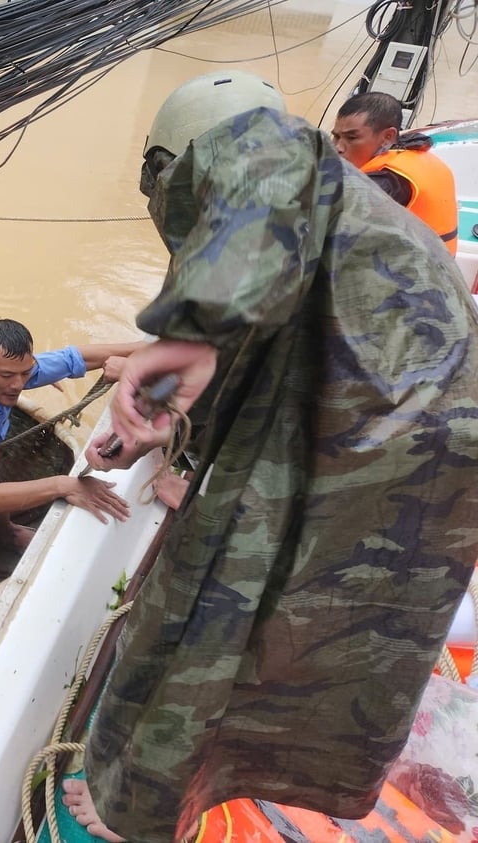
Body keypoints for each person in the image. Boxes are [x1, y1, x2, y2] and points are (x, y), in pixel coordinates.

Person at [62, 70, 478, 843]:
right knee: (319, 633)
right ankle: (206, 787)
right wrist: (161, 422)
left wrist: (181, 340)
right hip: (429, 456)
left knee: (201, 617)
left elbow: (238, 261)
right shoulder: (345, 213)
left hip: (367, 446)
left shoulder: (261, 152)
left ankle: (137, 814)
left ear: (172, 165)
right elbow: (257, 341)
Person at [0, 319, 142, 579]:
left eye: (26, 373)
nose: (18, 385)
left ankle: (6, 531)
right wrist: (63, 485)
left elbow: (73, 359)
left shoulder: (4, 374)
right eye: (7, 376)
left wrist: (146, 352)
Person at [332, 91, 458, 255]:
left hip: (414, 268)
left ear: (387, 137)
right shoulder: (416, 156)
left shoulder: (388, 181)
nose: (338, 147)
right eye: (336, 137)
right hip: (438, 264)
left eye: (351, 138)